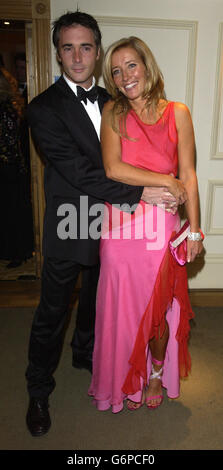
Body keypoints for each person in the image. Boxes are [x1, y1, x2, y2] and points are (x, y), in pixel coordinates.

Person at [25, 12, 186, 437]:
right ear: (57, 53)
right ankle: (37, 390)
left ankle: (87, 355)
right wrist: (142, 192)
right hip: (73, 220)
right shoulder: (42, 108)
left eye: (86, 47)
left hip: (119, 225)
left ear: (97, 52)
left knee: (99, 301)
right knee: (53, 310)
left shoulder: (115, 102)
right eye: (67, 47)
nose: (77, 56)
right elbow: (81, 171)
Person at [88, 36, 204, 413]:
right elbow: (113, 168)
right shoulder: (113, 114)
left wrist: (196, 229)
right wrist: (162, 181)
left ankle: (154, 371)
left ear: (147, 65)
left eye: (131, 66)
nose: (124, 77)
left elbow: (188, 175)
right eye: (117, 72)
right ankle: (122, 378)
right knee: (120, 308)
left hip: (162, 227)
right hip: (121, 225)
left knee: (157, 312)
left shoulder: (179, 113)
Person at [0, 69, 33, 267]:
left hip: (9, 168)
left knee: (12, 212)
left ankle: (17, 252)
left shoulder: (7, 109)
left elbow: (9, 142)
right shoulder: (12, 107)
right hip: (13, 167)